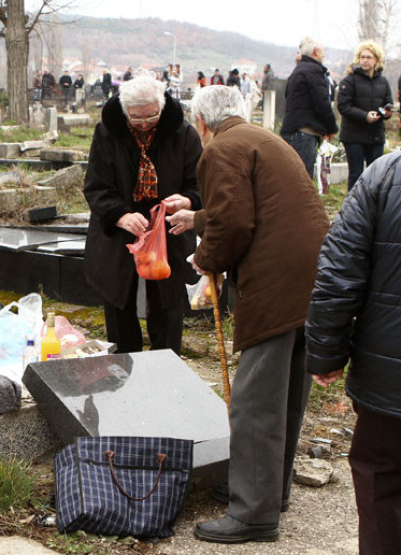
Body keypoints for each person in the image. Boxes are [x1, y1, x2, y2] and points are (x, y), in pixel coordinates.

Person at [166, 85, 329, 545]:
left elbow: (236, 223)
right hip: (312, 273)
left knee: (255, 399)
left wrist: (207, 259)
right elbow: (251, 208)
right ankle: (267, 490)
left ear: (201, 123)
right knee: (287, 388)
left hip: (275, 279)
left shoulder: (220, 149)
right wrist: (196, 218)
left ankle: (253, 513)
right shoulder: (264, 139)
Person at [305, 151, 401, 555]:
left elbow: (339, 271)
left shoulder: (387, 173)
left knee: (382, 479)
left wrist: (327, 353)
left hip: (389, 376)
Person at [83, 73, 202, 355]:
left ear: (161, 106)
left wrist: (186, 200)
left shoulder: (182, 133)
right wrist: (120, 216)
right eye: (137, 119)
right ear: (125, 112)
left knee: (167, 304)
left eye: (151, 116)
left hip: (169, 227)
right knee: (118, 301)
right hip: (120, 231)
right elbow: (96, 186)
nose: (145, 125)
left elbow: (201, 183)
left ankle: (166, 364)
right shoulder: (107, 131)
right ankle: (124, 367)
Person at [336, 40, 392, 192]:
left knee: (376, 175)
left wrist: (386, 113)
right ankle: (353, 209)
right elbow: (343, 106)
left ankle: (373, 209)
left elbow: (388, 102)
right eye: (362, 57)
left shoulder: (383, 81)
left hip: (375, 135)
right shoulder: (350, 79)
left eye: (369, 57)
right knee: (356, 174)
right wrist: (364, 116)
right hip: (353, 135)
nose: (365, 60)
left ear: (376, 60)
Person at [281, 37, 338, 179]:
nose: (323, 56)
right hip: (304, 133)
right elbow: (321, 103)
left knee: (293, 177)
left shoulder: (298, 70)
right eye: (322, 52)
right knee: (302, 179)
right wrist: (331, 128)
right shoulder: (313, 71)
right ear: (316, 52)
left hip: (294, 130)